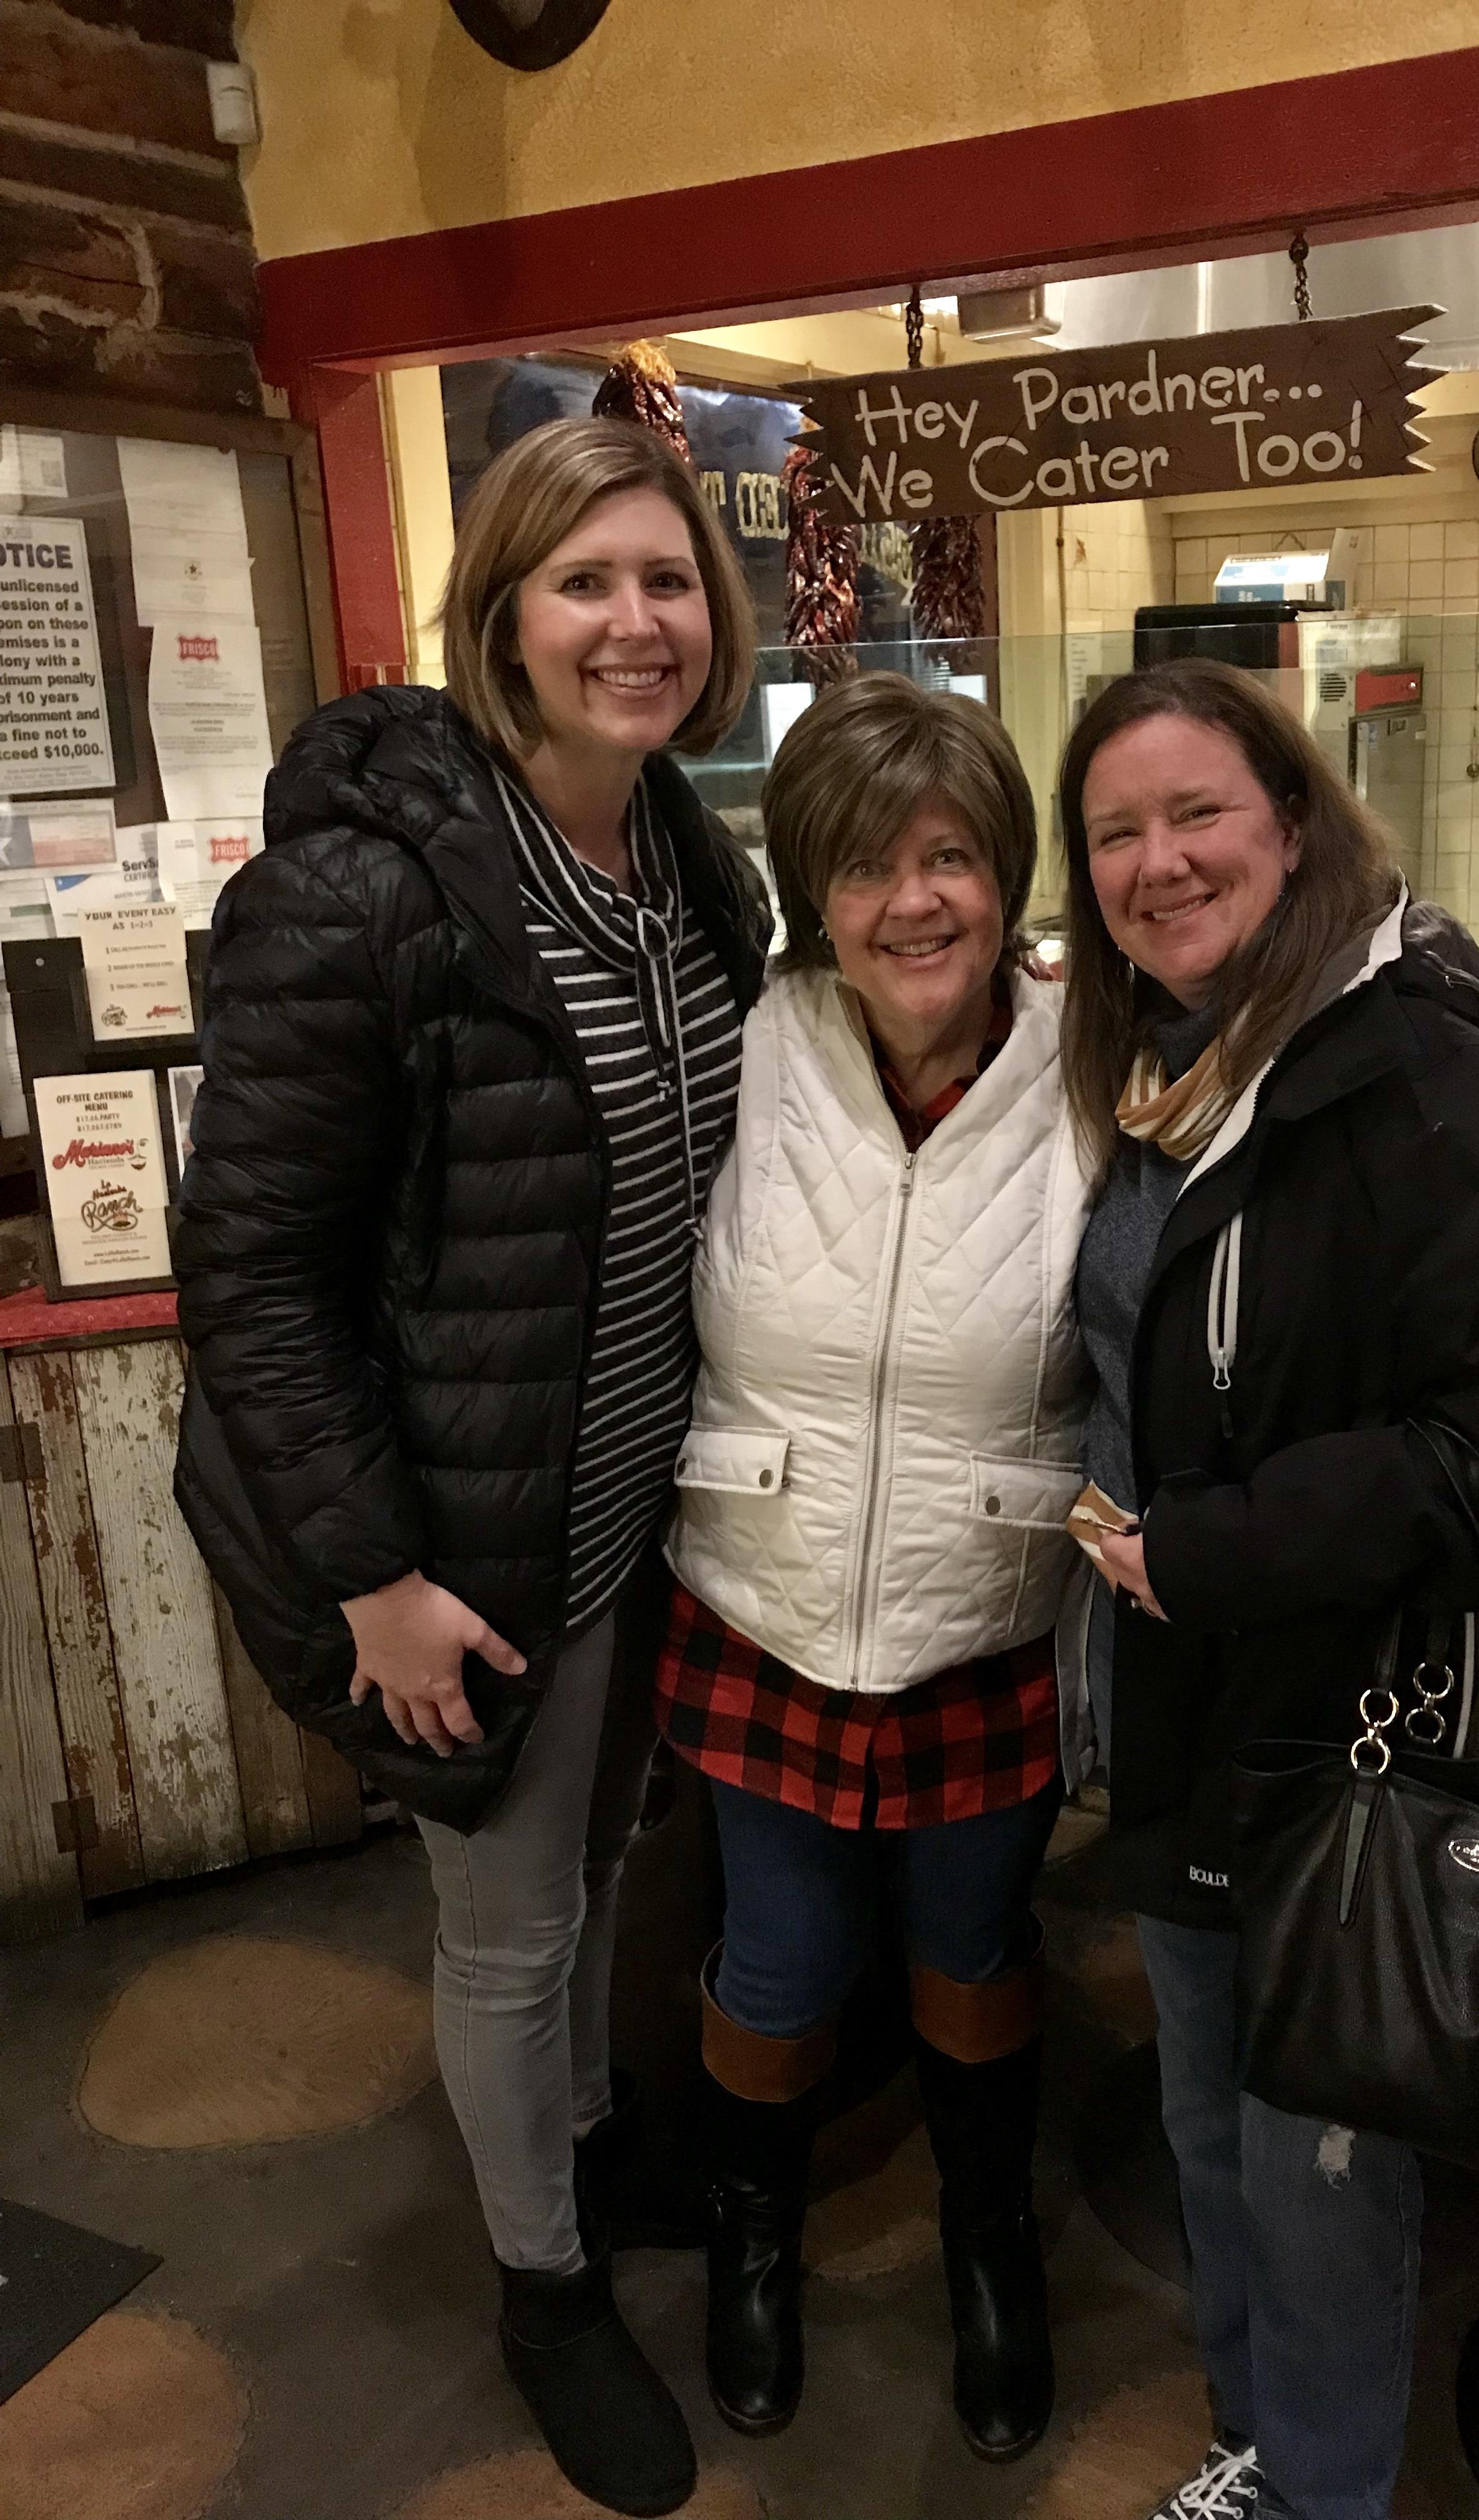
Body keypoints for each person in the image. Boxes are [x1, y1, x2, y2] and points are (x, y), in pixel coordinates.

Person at [171, 417, 773, 2519]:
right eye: (587, 581)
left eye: (670, 580)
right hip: (451, 1551)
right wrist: (371, 1576)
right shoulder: (366, 889)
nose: (637, 622)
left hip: (621, 1517)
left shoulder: (690, 859)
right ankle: (542, 2286)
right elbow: (246, 1270)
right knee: (507, 1925)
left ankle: (590, 2140)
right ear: (501, 612)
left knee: (599, 1873)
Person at [1055, 659, 1479, 2520]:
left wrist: (1224, 1545)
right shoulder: (1169, 1075)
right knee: (1210, 2111)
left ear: (1292, 821)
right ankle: (1257, 2439)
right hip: (1203, 1714)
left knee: (1319, 2150)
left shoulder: (1414, 1061)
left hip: (1359, 1728)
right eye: (1115, 832)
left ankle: (1324, 2491)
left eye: (1199, 814)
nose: (1160, 861)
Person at [657, 672, 1092, 2462]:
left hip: (985, 1611)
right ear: (810, 895)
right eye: (863, 866)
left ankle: (993, 2249)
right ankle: (750, 2234)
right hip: (758, 1592)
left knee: (975, 1955)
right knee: (777, 1961)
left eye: (950, 857)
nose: (911, 902)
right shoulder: (741, 1043)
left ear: (1006, 873)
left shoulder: (1105, 1063)